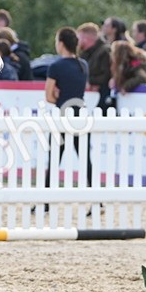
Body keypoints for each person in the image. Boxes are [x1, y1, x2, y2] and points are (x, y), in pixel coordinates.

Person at [43, 26, 92, 193]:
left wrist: (58, 95)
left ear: (61, 43)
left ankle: (46, 199)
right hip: (81, 114)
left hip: (62, 115)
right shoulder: (83, 64)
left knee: (54, 159)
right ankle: (96, 199)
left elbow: (49, 97)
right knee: (85, 159)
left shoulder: (56, 66)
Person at [76, 22, 112, 97]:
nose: (77, 42)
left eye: (79, 38)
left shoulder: (105, 51)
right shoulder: (84, 53)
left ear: (86, 37)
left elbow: (107, 75)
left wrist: (89, 81)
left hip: (102, 94)